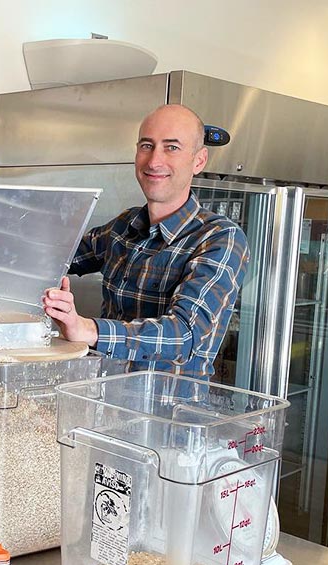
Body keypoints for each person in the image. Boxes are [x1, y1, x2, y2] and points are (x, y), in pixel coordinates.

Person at [43, 104, 249, 380]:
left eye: (172, 147)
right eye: (146, 146)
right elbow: (59, 255)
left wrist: (86, 329)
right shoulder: (124, 226)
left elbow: (184, 335)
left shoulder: (219, 237)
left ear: (198, 161)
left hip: (166, 415)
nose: (154, 161)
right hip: (99, 401)